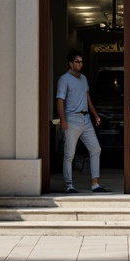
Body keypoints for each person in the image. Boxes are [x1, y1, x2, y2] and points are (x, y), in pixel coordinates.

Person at [55, 49, 109, 193]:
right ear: (70, 63)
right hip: (71, 119)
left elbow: (87, 98)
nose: (80, 64)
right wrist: (63, 120)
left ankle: (95, 183)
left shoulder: (84, 78)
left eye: (81, 62)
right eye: (77, 62)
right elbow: (60, 100)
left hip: (86, 119)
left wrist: (95, 115)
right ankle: (69, 185)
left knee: (96, 149)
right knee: (69, 154)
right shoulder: (64, 79)